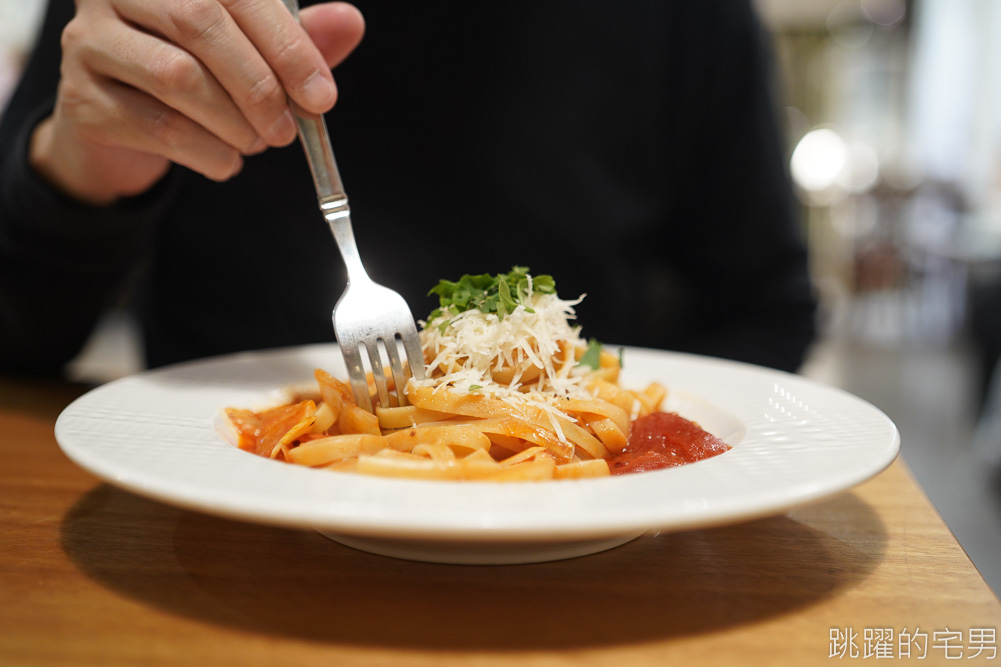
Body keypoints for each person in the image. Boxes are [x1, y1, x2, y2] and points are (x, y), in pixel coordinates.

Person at [0, 0, 817, 378]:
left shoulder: (688, 17)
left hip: (594, 570)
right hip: (216, 531)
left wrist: (631, 466)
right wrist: (83, 173)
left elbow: (764, 307)